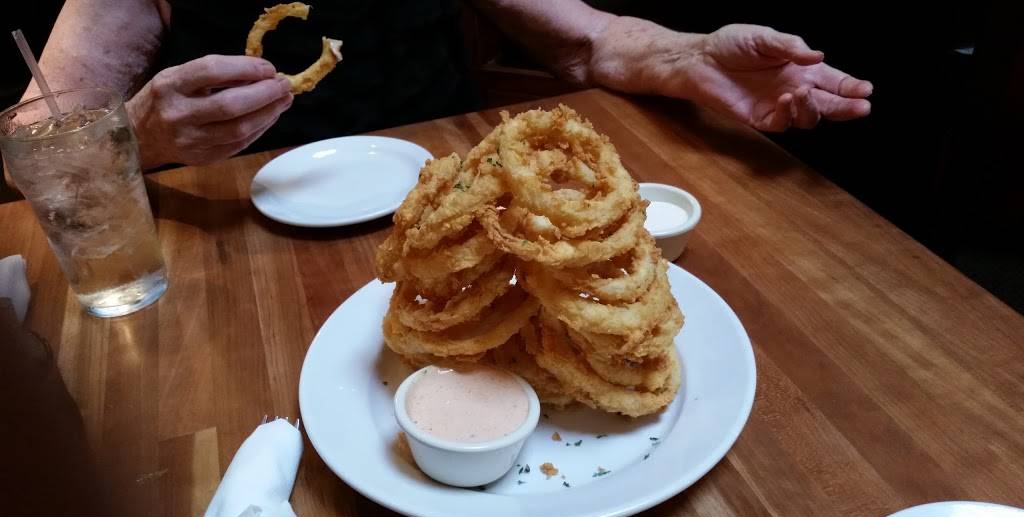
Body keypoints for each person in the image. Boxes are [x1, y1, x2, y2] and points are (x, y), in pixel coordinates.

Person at [24, 0, 871, 170]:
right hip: (236, 242)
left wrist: (692, 57)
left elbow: (589, 41)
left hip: (454, 205)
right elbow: (29, 138)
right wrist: (136, 134)